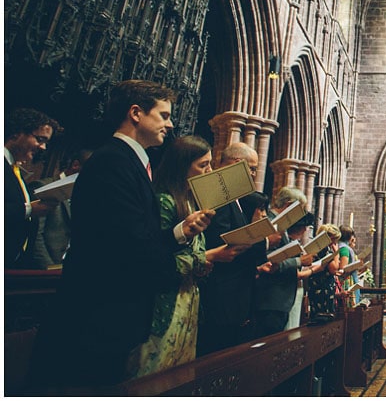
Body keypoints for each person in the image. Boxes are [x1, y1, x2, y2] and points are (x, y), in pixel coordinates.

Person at [28, 80, 214, 388]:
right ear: (136, 113)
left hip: (109, 318)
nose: (170, 124)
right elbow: (127, 247)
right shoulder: (113, 162)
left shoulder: (129, 162)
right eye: (164, 115)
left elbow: (137, 234)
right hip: (96, 320)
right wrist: (180, 269)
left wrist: (180, 232)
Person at [129, 135, 247, 377]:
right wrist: (211, 257)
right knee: (154, 375)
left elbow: (193, 252)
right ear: (183, 166)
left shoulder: (191, 204)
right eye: (203, 165)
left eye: (210, 164)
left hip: (188, 301)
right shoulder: (165, 202)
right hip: (165, 304)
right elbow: (156, 259)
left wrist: (204, 263)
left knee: (180, 375)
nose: (210, 171)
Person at [197, 142, 269, 356]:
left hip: (235, 295)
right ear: (238, 165)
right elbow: (220, 243)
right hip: (222, 295)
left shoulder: (234, 198)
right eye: (253, 168)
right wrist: (256, 230)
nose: (255, 174)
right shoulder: (217, 197)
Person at [5, 108, 60, 268]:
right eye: (39, 139)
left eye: (46, 142)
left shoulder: (14, 170)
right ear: (17, 133)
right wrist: (29, 209)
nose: (43, 147)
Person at [253, 186, 309, 337]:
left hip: (278, 300)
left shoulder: (280, 225)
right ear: (289, 204)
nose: (300, 214)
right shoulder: (269, 223)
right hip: (270, 298)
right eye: (300, 209)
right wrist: (298, 261)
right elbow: (267, 259)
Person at [25, 149, 92, 269]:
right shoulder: (43, 186)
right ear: (76, 165)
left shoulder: (86, 194)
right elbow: (35, 235)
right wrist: (49, 268)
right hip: (43, 268)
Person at [305, 223, 342, 322]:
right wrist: (336, 253)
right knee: (323, 317)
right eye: (334, 239)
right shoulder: (324, 249)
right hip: (322, 288)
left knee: (319, 315)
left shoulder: (318, 248)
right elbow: (333, 269)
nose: (334, 242)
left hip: (318, 286)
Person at [338, 225, 362, 307]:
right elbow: (343, 268)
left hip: (343, 279)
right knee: (349, 307)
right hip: (346, 281)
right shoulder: (344, 248)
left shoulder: (338, 246)